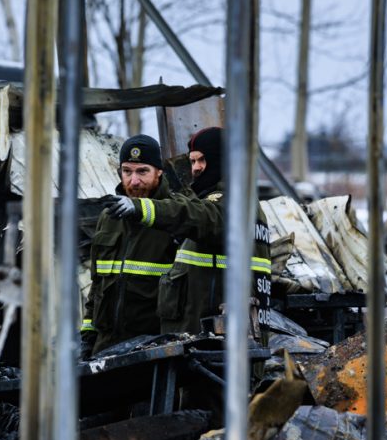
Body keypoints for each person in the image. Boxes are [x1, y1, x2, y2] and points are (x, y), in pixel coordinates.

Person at [105, 127, 271, 339]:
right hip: (209, 344)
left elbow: (201, 216)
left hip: (223, 349)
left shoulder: (235, 199)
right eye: (192, 162)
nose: (196, 169)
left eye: (202, 160)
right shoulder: (218, 198)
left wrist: (142, 208)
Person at [80, 134, 178, 356]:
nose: (134, 181)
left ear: (159, 172)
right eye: (127, 171)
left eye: (143, 171)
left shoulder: (174, 217)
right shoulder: (109, 218)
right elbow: (97, 286)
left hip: (153, 349)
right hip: (105, 347)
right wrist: (88, 337)